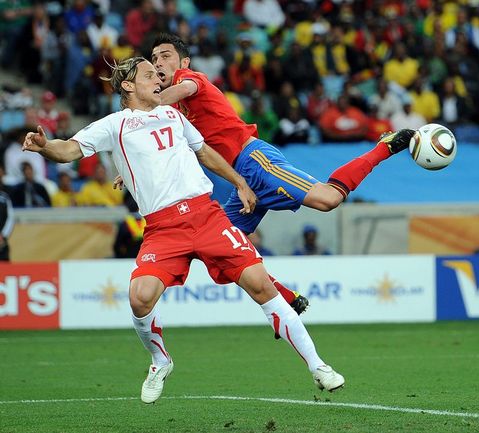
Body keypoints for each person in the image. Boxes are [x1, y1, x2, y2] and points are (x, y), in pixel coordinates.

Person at [23, 56, 345, 403]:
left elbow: (204, 152)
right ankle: (160, 360)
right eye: (149, 75)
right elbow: (69, 149)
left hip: (206, 216)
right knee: (140, 297)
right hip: (163, 228)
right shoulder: (114, 125)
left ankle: (318, 366)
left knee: (260, 283)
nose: (158, 79)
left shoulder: (174, 116)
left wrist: (240, 182)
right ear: (128, 86)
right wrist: (46, 147)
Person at [147, 33, 414, 309]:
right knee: (217, 250)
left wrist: (142, 104)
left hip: (256, 161)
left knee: (328, 199)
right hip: (241, 179)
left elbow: (181, 91)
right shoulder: (172, 112)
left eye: (165, 56)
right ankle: (287, 297)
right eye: (154, 59)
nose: (158, 63)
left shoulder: (189, 79)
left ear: (184, 62)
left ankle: (385, 147)